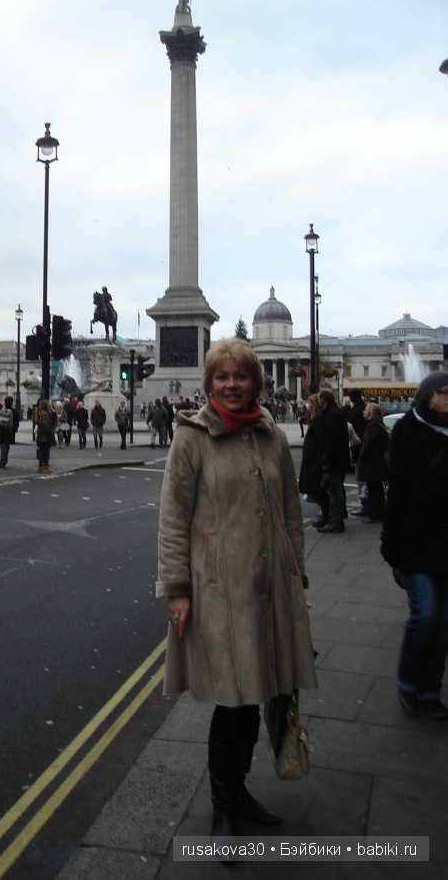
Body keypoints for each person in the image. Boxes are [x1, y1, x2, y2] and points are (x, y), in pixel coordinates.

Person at [156, 338, 316, 838]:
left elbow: (291, 510)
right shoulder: (192, 437)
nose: (231, 385)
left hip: (270, 586)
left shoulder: (270, 435)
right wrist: (177, 588)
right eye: (221, 377)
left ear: (255, 382)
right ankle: (223, 804)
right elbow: (173, 518)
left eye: (240, 376)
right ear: (209, 384)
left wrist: (296, 574)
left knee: (258, 692)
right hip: (219, 591)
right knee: (232, 700)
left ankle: (239, 791)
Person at [381, 372, 448, 720]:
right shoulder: (407, 432)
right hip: (416, 545)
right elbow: (399, 494)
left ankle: (430, 690)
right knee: (425, 615)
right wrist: (391, 547)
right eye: (443, 393)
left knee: (443, 624)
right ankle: (408, 682)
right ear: (427, 397)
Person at [316, 388, 350, 533]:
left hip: (335, 460)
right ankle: (334, 519)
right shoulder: (334, 412)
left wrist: (326, 458)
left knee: (335, 492)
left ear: (324, 399)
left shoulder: (332, 415)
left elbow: (331, 439)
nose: (318, 401)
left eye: (319, 398)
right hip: (339, 459)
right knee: (335, 491)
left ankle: (335, 522)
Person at [357, 403, 389, 523]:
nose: (363, 412)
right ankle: (378, 513)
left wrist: (361, 457)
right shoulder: (380, 425)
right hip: (378, 463)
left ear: (371, 413)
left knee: (374, 490)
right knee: (377, 489)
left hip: (372, 464)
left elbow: (367, 446)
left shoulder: (372, 427)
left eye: (366, 410)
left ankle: (375, 514)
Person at [298, 393, 326, 529]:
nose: (308, 405)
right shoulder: (315, 420)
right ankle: (323, 514)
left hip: (315, 460)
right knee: (317, 489)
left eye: (309, 403)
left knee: (320, 489)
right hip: (313, 459)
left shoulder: (318, 421)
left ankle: (325, 515)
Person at [344, 388, 368, 516]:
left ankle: (364, 505)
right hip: (365, 447)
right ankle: (365, 504)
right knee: (365, 479)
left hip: (359, 448)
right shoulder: (365, 408)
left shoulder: (355, 412)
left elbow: (353, 433)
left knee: (360, 479)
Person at [0, 396, 19, 468]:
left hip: (2, 431)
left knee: (3, 445)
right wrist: (14, 430)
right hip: (9, 432)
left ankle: (3, 461)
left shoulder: (1, 410)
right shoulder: (14, 411)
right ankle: (2, 462)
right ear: (12, 403)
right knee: (5, 446)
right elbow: (16, 422)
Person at [36, 398, 56, 474]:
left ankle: (44, 466)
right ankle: (42, 467)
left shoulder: (44, 413)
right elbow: (46, 427)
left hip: (42, 435)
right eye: (48, 405)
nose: (50, 406)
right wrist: (51, 434)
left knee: (44, 451)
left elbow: (53, 420)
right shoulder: (45, 414)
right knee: (44, 452)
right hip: (44, 436)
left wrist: (53, 413)